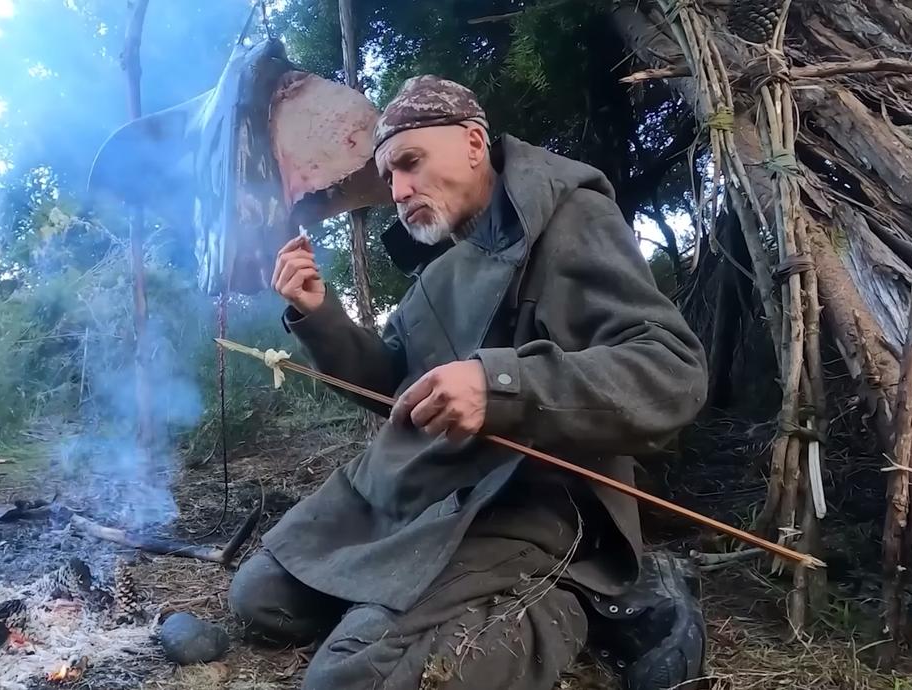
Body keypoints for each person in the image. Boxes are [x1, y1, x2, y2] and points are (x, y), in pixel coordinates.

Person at [228, 75, 710, 690]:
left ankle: (565, 602)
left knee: (354, 679)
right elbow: (388, 380)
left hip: (535, 496)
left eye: (410, 163)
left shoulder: (573, 216)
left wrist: (500, 384)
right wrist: (320, 316)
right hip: (432, 486)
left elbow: (673, 371)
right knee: (261, 597)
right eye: (391, 175)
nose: (398, 191)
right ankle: (403, 602)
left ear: (474, 143)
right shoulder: (442, 269)